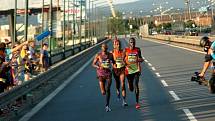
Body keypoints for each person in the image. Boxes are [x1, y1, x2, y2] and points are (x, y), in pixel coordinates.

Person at [92, 43, 115, 112]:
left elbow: (113, 62)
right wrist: (98, 66)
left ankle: (107, 105)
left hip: (108, 74)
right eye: (103, 47)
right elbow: (93, 64)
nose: (104, 48)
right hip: (101, 74)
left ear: (107, 48)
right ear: (101, 48)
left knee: (108, 89)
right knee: (103, 92)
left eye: (105, 47)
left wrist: (114, 65)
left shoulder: (110, 55)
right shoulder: (98, 55)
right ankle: (103, 91)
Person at [124, 37, 144, 109]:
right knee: (131, 88)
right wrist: (126, 65)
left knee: (136, 85)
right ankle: (129, 85)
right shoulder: (126, 50)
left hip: (136, 70)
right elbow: (123, 60)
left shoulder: (138, 49)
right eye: (131, 42)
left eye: (134, 42)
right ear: (129, 43)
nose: (133, 44)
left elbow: (141, 59)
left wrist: (140, 60)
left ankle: (137, 102)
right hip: (128, 71)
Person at [111, 39, 128, 106]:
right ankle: (118, 91)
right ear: (114, 45)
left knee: (123, 84)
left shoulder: (123, 51)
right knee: (118, 85)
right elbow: (109, 61)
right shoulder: (111, 53)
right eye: (116, 44)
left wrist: (125, 63)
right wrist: (113, 65)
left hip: (122, 69)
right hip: (115, 70)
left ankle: (124, 101)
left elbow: (126, 59)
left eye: (118, 44)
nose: (118, 45)